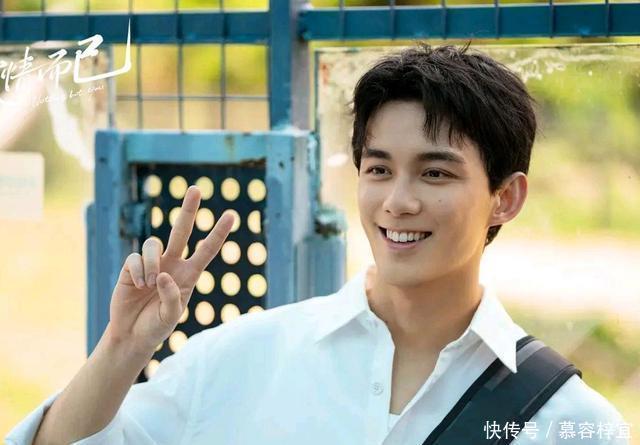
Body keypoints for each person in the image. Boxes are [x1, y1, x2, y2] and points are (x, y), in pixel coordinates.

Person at [6, 43, 629, 445]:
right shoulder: (239, 361)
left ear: (506, 197)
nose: (398, 201)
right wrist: (122, 347)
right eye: (378, 169)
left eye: (435, 173)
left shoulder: (571, 423)